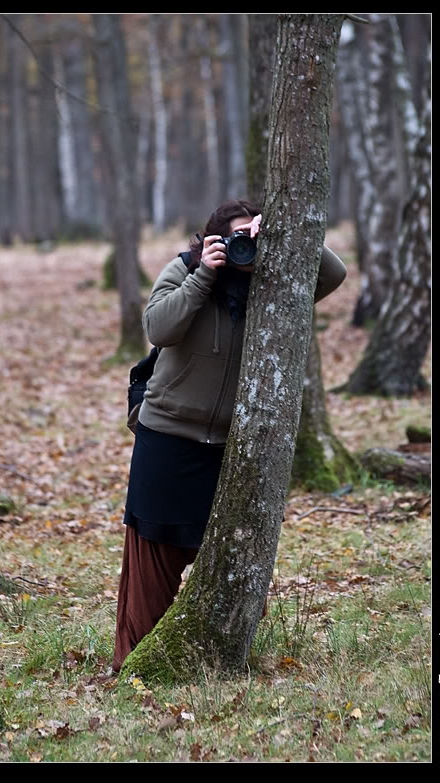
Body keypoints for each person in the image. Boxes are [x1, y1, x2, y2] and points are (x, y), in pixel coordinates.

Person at [112, 199, 347, 673]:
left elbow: (333, 274)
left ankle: (220, 660)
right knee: (151, 559)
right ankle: (135, 662)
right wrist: (205, 273)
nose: (244, 245)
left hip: (232, 447)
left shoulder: (273, 284)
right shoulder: (184, 270)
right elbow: (160, 327)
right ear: (211, 238)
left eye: (250, 235)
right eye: (235, 236)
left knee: (232, 556)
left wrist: (284, 234)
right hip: (168, 435)